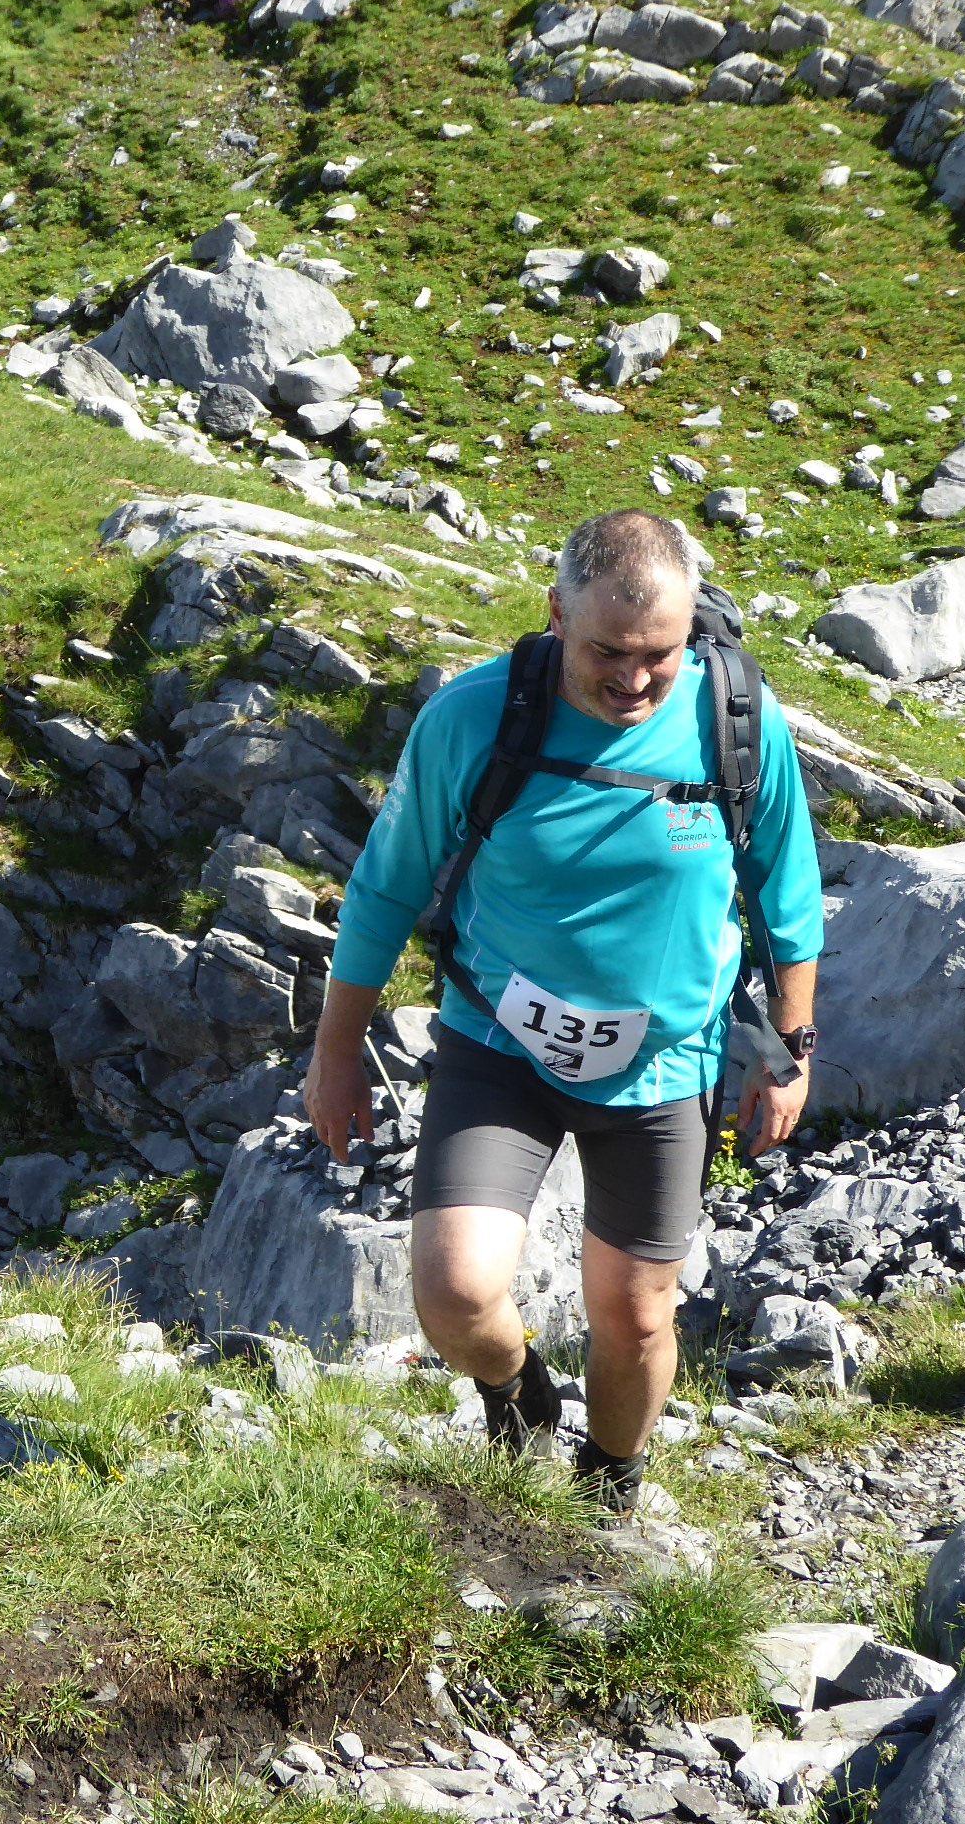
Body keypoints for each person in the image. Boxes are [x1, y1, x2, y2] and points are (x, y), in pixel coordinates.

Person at [304, 510, 824, 1512]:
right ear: (555, 615)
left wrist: (790, 1049)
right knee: (455, 1292)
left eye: (659, 654)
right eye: (606, 653)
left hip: (666, 1064)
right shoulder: (472, 719)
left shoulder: (737, 720)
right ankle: (517, 1393)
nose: (633, 680)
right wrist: (337, 1051)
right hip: (500, 1046)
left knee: (635, 1318)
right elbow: (383, 890)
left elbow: (789, 896)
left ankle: (609, 1487)